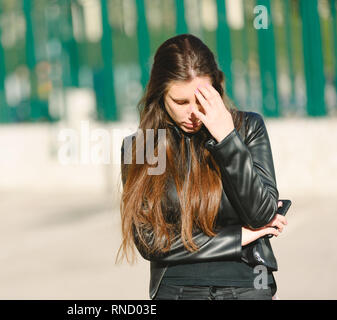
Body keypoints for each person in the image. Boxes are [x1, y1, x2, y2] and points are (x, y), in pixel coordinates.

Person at [116, 34, 288, 300]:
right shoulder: (145, 147)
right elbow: (150, 242)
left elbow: (262, 215)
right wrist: (235, 239)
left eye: (201, 99)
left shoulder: (247, 128)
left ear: (216, 89)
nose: (193, 113)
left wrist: (227, 139)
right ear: (160, 95)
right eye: (181, 102)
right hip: (177, 290)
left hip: (247, 284)